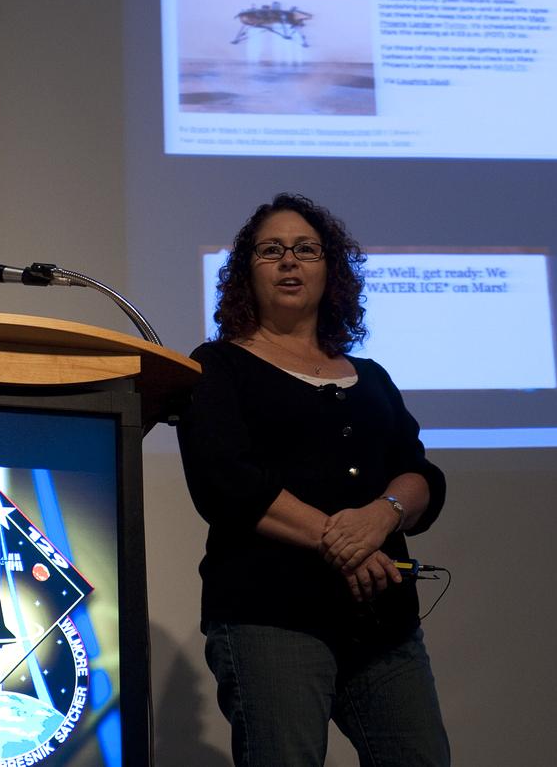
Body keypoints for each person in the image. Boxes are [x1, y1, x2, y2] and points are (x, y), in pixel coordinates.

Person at [176, 192, 450, 767]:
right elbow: (227, 485)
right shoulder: (219, 365)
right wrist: (345, 543)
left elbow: (420, 472)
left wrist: (383, 514)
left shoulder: (370, 376)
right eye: (270, 250)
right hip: (271, 619)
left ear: (332, 269)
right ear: (245, 273)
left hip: (384, 625)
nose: (289, 261)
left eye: (306, 249)